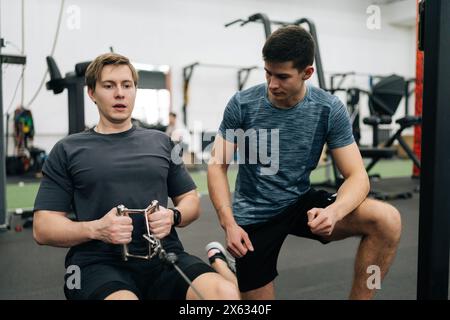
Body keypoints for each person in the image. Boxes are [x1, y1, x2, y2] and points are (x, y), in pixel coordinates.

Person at [207, 25, 402, 300]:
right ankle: (220, 261)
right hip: (254, 214)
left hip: (300, 201)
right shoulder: (242, 104)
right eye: (268, 73)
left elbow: (358, 175)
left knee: (387, 220)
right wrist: (228, 223)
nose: (272, 84)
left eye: (282, 76)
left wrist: (334, 212)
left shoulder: (328, 108)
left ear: (307, 73)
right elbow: (217, 166)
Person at [33, 53, 239, 300]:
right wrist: (97, 229)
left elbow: (191, 200)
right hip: (97, 264)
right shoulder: (67, 149)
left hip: (163, 256)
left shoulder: (163, 142)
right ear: (91, 93)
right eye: (109, 86)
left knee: (226, 296)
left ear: (134, 90)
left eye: (127, 85)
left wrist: (174, 215)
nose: (119, 93)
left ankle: (219, 264)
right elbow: (43, 228)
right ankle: (219, 264)